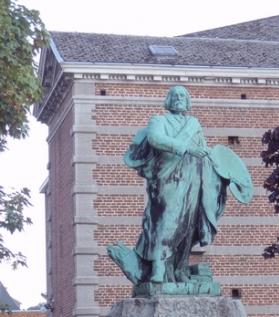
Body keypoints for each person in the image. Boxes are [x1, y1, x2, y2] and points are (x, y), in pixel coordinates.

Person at [107, 85, 253, 286]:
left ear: (187, 101)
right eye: (174, 95)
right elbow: (155, 139)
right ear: (168, 100)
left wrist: (221, 172)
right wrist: (186, 148)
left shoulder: (194, 123)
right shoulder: (158, 121)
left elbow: (202, 151)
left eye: (182, 96)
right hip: (168, 179)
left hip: (193, 179)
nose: (178, 99)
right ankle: (158, 267)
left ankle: (180, 268)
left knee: (189, 224)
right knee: (166, 220)